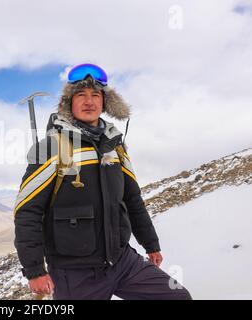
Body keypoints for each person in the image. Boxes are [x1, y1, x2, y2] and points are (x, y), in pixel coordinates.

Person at [13, 63, 192, 300]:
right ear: (69, 103)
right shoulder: (52, 147)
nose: (89, 101)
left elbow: (131, 198)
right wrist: (34, 270)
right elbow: (27, 212)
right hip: (74, 273)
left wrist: (151, 244)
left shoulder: (114, 145)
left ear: (105, 102)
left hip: (121, 261)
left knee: (177, 297)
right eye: (81, 95)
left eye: (95, 95)